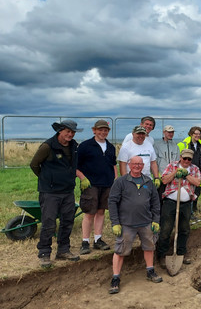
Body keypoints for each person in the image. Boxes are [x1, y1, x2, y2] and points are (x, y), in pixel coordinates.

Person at [30, 119, 83, 267]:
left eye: (72, 132)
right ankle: (44, 253)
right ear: (60, 131)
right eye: (68, 131)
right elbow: (34, 164)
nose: (70, 134)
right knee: (49, 223)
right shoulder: (47, 146)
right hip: (50, 192)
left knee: (67, 221)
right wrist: (47, 179)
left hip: (67, 191)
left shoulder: (74, 146)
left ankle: (63, 250)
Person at [108, 156, 162, 294]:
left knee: (149, 247)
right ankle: (115, 278)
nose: (137, 166)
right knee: (120, 250)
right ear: (129, 165)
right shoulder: (121, 182)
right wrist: (115, 223)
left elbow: (155, 203)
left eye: (140, 164)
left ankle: (150, 271)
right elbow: (112, 202)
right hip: (126, 223)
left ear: (143, 165)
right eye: (134, 163)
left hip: (146, 222)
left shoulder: (148, 182)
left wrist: (155, 220)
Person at [76, 119, 117, 255]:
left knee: (101, 212)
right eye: (100, 130)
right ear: (94, 130)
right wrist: (82, 178)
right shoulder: (85, 146)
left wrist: (115, 179)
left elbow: (113, 165)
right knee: (89, 213)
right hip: (91, 185)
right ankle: (85, 242)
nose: (102, 132)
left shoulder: (110, 147)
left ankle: (98, 240)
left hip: (106, 184)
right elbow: (75, 166)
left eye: (105, 130)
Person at [157, 148, 201, 267]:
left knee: (184, 229)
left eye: (189, 159)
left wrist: (186, 175)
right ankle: (162, 255)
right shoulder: (171, 166)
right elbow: (164, 180)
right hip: (170, 202)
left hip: (186, 204)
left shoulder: (195, 169)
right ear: (180, 157)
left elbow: (197, 183)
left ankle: (181, 253)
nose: (186, 161)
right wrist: (175, 172)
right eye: (184, 158)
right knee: (166, 229)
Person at [178, 126, 201, 218]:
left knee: (197, 191)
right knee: (188, 191)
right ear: (191, 134)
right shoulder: (183, 144)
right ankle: (188, 212)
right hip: (188, 170)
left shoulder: (200, 145)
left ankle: (194, 209)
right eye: (195, 134)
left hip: (198, 170)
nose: (197, 135)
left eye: (199, 134)